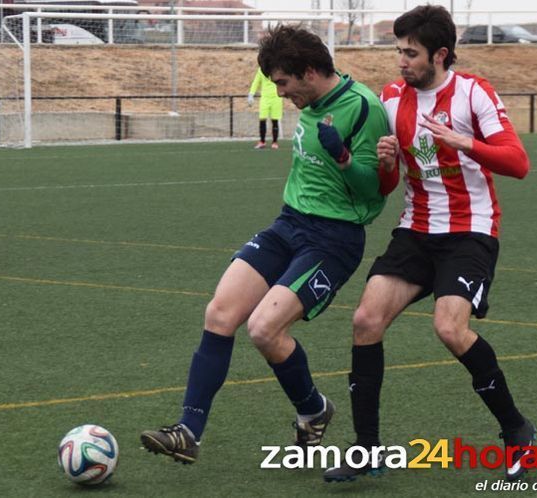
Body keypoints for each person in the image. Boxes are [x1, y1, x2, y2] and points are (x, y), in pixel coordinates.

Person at [141, 24, 391, 464]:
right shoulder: (313, 100)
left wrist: (344, 159)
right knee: (220, 312)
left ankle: (312, 409)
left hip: (333, 240)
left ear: (310, 72)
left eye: (283, 83)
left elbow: (375, 191)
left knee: (263, 329)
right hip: (289, 224)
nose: (281, 92)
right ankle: (189, 431)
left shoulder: (363, 108)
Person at [323, 5, 534, 483]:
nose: (401, 61)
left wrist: (466, 143)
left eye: (411, 53)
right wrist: (385, 162)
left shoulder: (474, 93)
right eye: (398, 51)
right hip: (416, 228)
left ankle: (517, 429)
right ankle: (366, 450)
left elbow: (518, 163)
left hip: (470, 230)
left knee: (449, 328)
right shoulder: (392, 99)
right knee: (365, 320)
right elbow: (386, 184)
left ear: (440, 55)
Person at [248, 66, 284, 149]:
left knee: (275, 120)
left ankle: (275, 142)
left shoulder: (278, 69)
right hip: (265, 98)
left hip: (276, 98)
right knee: (262, 119)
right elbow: (256, 82)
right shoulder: (261, 70)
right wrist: (251, 94)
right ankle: (262, 141)